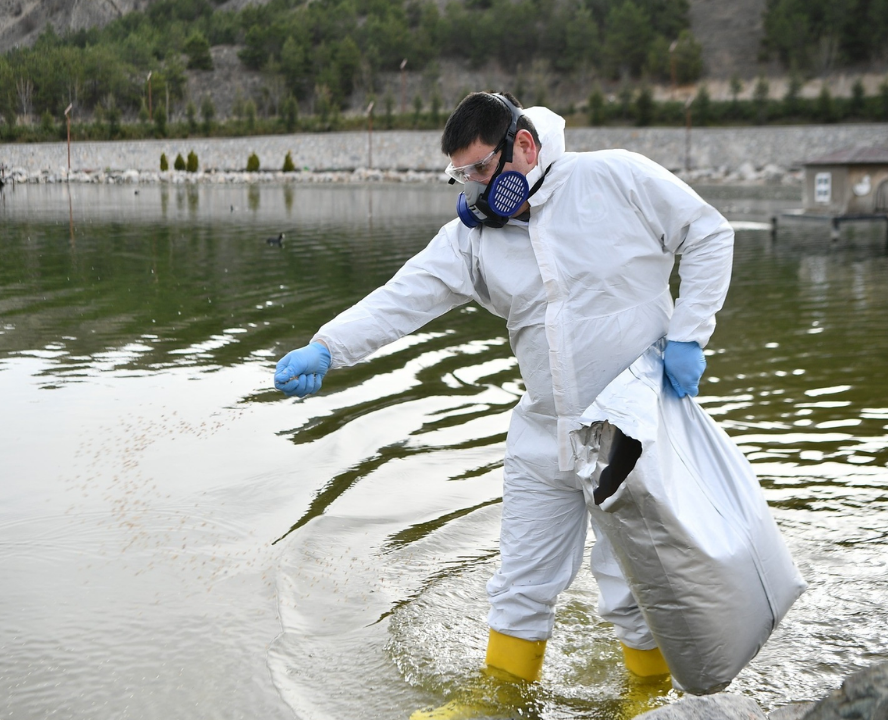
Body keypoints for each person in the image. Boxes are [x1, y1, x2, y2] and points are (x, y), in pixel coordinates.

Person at [273, 92, 734, 715]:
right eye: (458, 177)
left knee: (633, 579)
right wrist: (327, 348)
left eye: (481, 171)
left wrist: (688, 332)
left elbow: (706, 232)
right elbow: (405, 293)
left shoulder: (612, 177)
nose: (471, 192)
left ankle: (648, 694)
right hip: (545, 428)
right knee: (520, 576)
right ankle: (502, 695)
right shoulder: (474, 239)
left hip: (631, 422)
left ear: (524, 145)